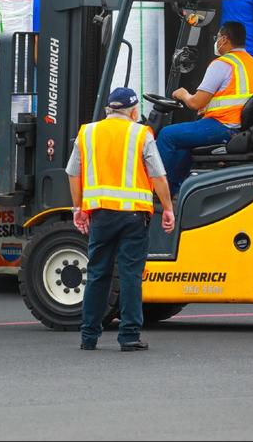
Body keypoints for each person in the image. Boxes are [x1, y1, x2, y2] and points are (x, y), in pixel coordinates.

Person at [67, 87, 175, 352]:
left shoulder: (87, 133)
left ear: (108, 109)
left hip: (101, 215)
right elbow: (158, 175)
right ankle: (128, 336)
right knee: (129, 274)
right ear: (134, 110)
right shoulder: (141, 133)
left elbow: (72, 173)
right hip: (133, 217)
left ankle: (88, 336)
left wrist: (77, 208)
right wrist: (168, 208)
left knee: (97, 273)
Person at [158, 21, 253, 196]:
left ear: (224, 39)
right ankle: (176, 191)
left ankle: (158, 192)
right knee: (184, 142)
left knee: (167, 135)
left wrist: (183, 94)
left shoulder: (222, 64)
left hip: (224, 126)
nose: (217, 42)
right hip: (243, 127)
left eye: (218, 38)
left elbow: (195, 103)